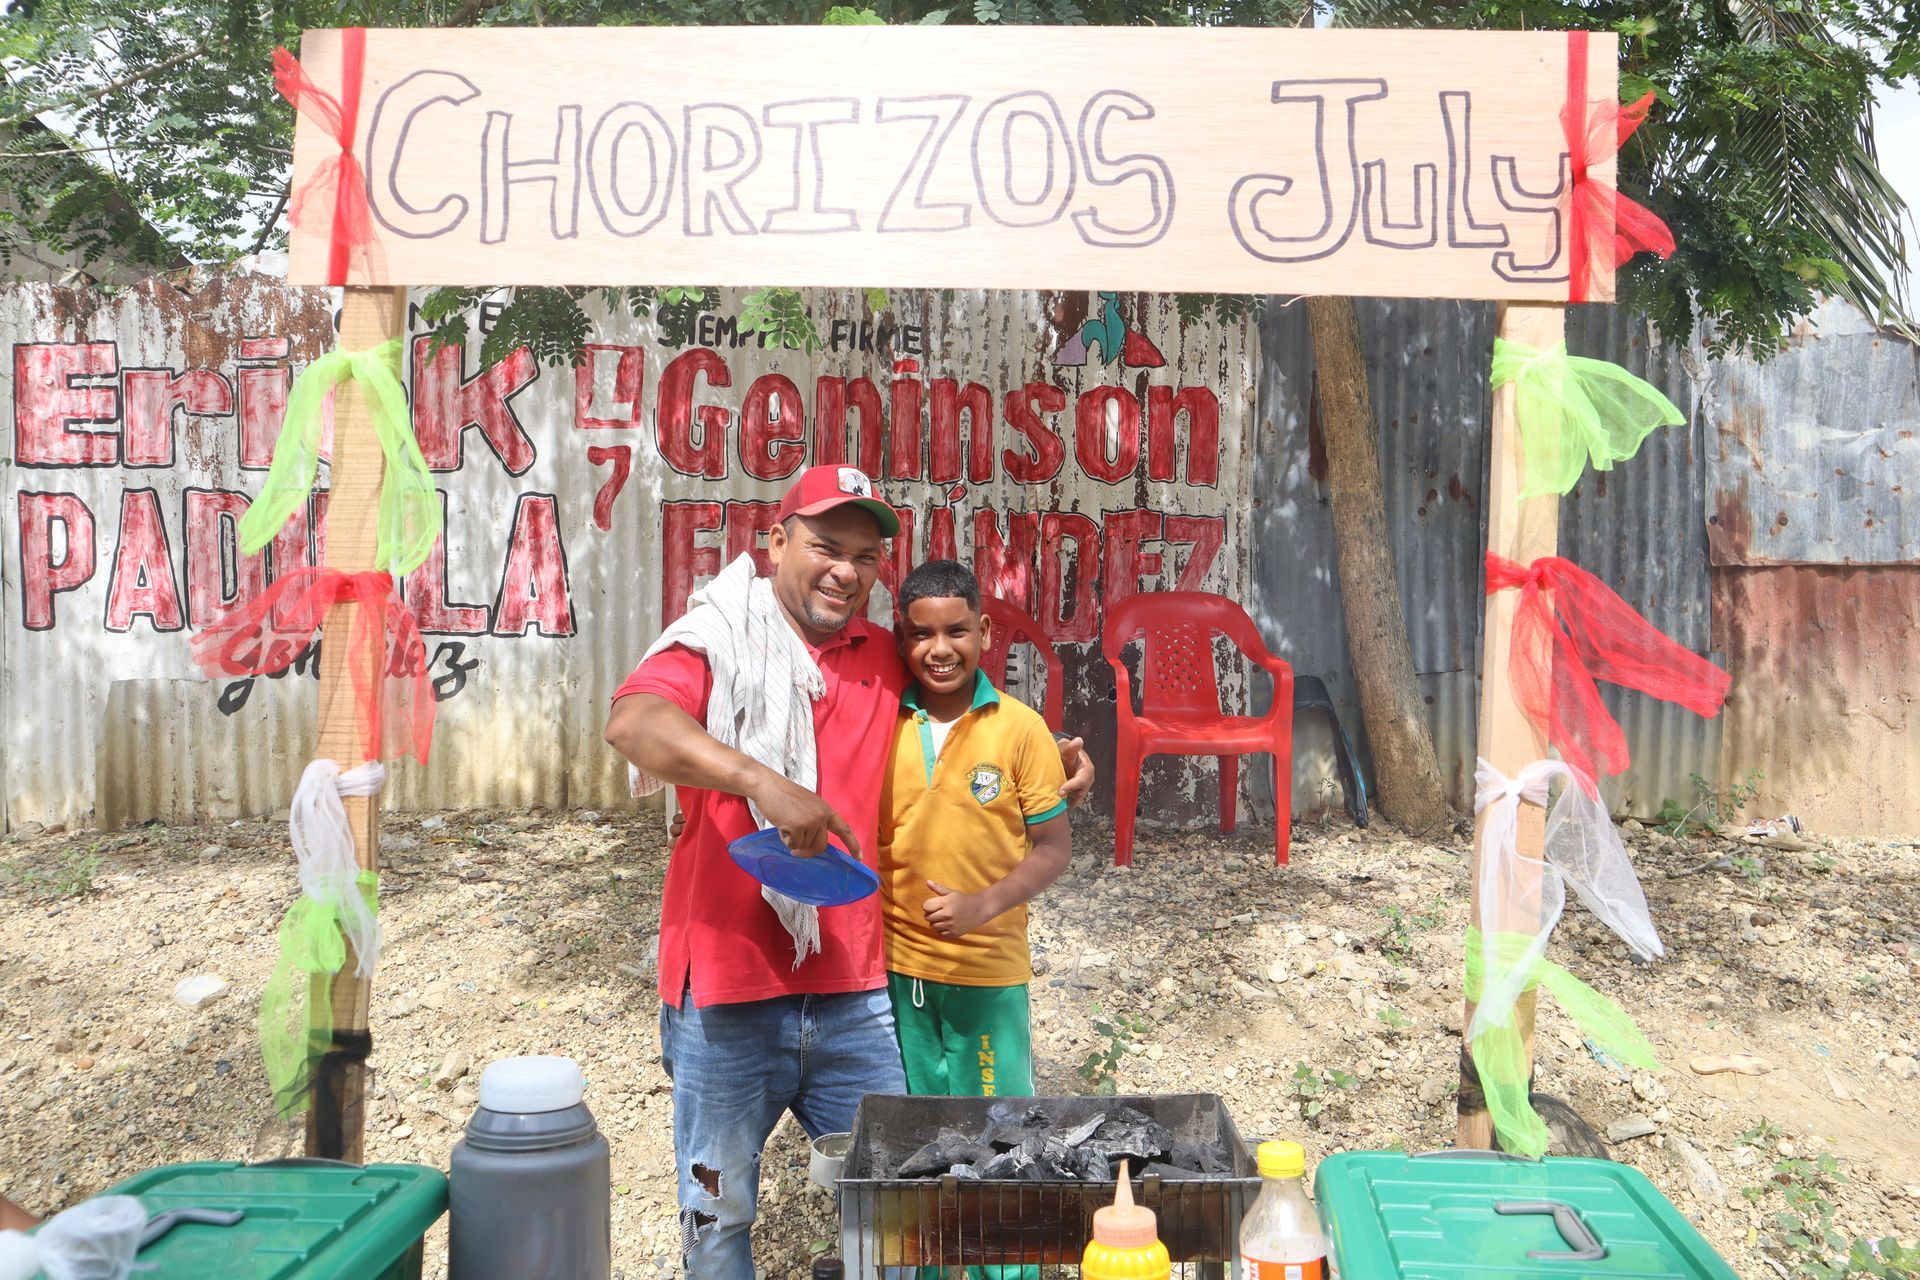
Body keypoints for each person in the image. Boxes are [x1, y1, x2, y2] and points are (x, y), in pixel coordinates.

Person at [604, 465, 1092, 1280]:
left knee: (901, 1210)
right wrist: (762, 781)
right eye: (827, 547)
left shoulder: (882, 656)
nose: (845, 570)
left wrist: (1047, 759)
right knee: (717, 1214)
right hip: (726, 989)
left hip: (855, 993)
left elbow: (959, 702)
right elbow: (633, 723)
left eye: (865, 557)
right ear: (776, 542)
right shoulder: (720, 640)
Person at [882, 559, 1070, 1103]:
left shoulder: (1021, 728)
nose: (939, 649)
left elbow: (1054, 848)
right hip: (898, 970)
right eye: (922, 634)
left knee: (999, 1128)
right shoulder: (882, 721)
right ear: (902, 637)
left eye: (956, 631)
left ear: (983, 632)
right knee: (912, 1125)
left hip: (988, 968)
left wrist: (982, 904)